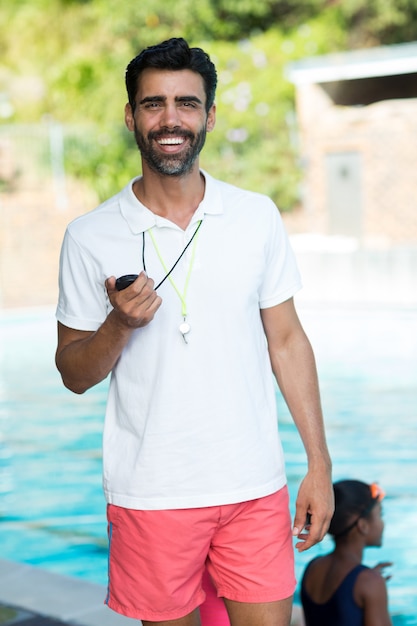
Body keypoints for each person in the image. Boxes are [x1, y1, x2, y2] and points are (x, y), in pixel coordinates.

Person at [55, 37, 333, 626]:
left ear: (209, 116)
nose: (170, 119)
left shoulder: (256, 215)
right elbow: (73, 374)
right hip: (151, 493)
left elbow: (287, 341)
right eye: (153, 104)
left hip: (254, 485)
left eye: (186, 103)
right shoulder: (89, 236)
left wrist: (319, 464)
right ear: (132, 116)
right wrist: (119, 324)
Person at [300, 480, 393, 626]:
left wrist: (364, 581)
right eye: (380, 514)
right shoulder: (369, 582)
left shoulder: (312, 567)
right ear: (363, 526)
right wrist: (371, 583)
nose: (383, 523)